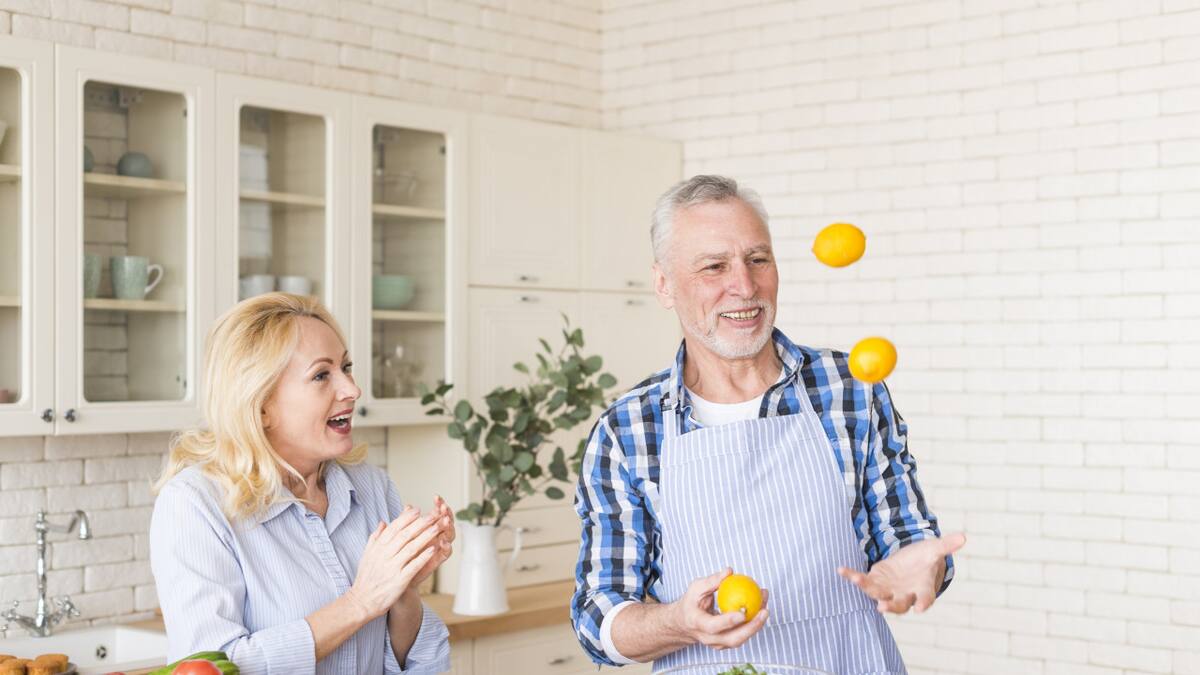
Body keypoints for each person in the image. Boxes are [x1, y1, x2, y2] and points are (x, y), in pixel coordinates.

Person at [570, 175, 966, 674]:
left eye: (758, 259)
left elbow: (907, 536)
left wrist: (921, 565)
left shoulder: (851, 390)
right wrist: (679, 622)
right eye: (714, 266)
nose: (745, 285)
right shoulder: (626, 430)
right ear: (664, 285)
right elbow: (597, 616)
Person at [150, 293, 454, 675]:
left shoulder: (373, 488)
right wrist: (360, 601)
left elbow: (424, 666)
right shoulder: (196, 505)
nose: (352, 390)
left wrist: (404, 591)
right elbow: (209, 667)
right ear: (260, 404)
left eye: (346, 367)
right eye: (322, 375)